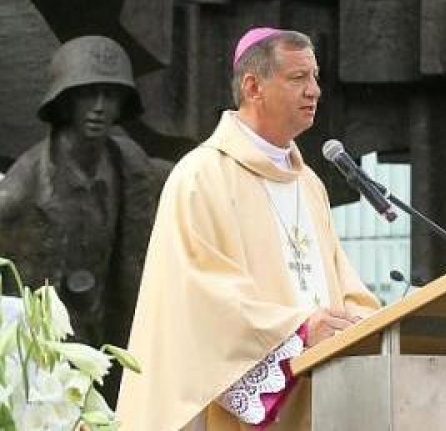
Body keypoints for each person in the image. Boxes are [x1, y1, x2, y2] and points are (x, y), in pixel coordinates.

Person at [116, 28, 381, 430]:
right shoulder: (202, 175)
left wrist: (361, 321)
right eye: (298, 79)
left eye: (315, 77)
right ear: (253, 86)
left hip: (316, 395)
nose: (315, 91)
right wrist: (300, 328)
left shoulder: (308, 184)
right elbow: (198, 298)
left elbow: (341, 282)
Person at [0, 35, 167, 404]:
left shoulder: (134, 168)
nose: (99, 108)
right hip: (50, 365)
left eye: (110, 95)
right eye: (87, 94)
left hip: (118, 345)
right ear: (63, 101)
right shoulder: (19, 194)